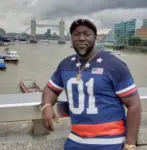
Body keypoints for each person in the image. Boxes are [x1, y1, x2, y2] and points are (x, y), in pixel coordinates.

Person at [41, 19, 141, 150]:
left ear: (95, 37)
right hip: (75, 143)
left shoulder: (114, 65)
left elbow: (134, 104)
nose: (81, 38)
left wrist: (130, 144)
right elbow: (51, 88)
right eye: (76, 34)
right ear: (71, 38)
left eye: (87, 34)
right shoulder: (65, 65)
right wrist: (47, 105)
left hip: (111, 143)